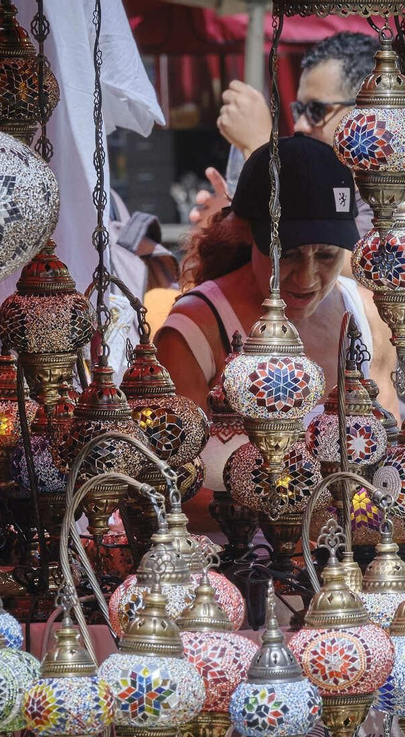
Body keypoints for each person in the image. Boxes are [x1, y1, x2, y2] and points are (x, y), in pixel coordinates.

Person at [155, 135, 376, 532]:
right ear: (244, 232)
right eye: (286, 254)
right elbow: (172, 488)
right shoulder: (194, 331)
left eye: (327, 255)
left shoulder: (360, 312)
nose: (308, 278)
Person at [189, 32, 405, 326]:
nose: (302, 125)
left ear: (366, 112)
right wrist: (232, 223)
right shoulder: (340, 188)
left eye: (317, 110)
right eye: (299, 110)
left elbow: (342, 259)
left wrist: (263, 155)